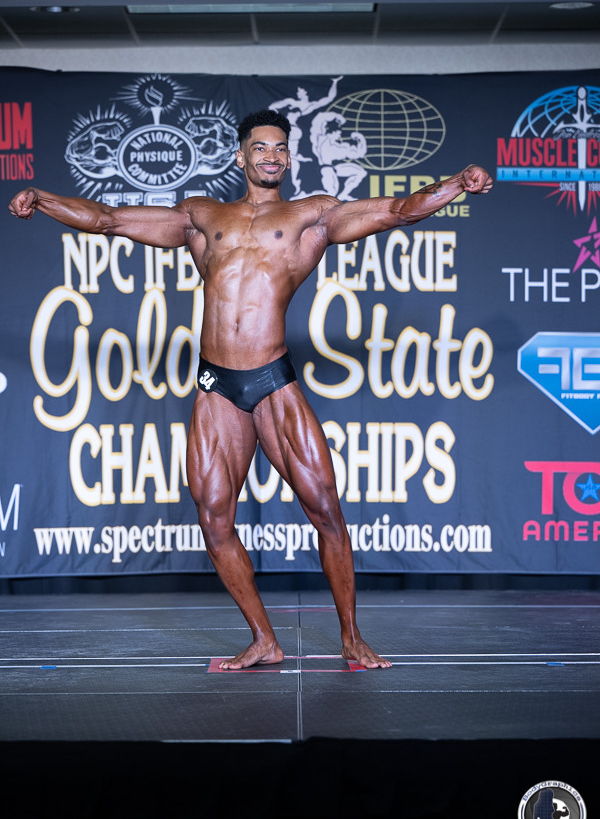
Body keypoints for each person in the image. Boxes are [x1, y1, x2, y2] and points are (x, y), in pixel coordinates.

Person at [9, 108, 493, 670]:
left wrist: (457, 183)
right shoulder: (201, 217)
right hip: (216, 385)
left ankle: (351, 637)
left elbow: (398, 210)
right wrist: (42, 199)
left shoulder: (312, 216)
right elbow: (109, 220)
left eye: (281, 147)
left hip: (271, 378)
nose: (272, 155)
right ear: (241, 156)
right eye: (261, 147)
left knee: (326, 511)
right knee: (214, 519)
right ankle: (264, 639)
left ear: (290, 157)